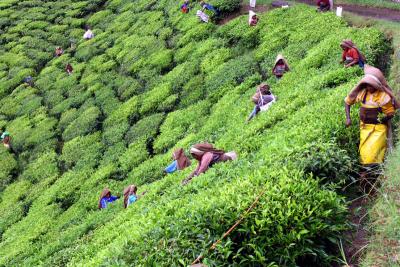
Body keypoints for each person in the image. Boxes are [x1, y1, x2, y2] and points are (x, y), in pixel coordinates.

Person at [344, 75, 397, 167]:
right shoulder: (362, 93)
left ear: (376, 86)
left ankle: (378, 169)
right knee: (364, 152)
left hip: (379, 129)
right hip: (365, 127)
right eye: (367, 86)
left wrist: (383, 119)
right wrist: (348, 118)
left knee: (375, 152)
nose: (369, 88)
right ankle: (368, 170)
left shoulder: (383, 96)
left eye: (372, 86)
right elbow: (347, 102)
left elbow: (391, 113)